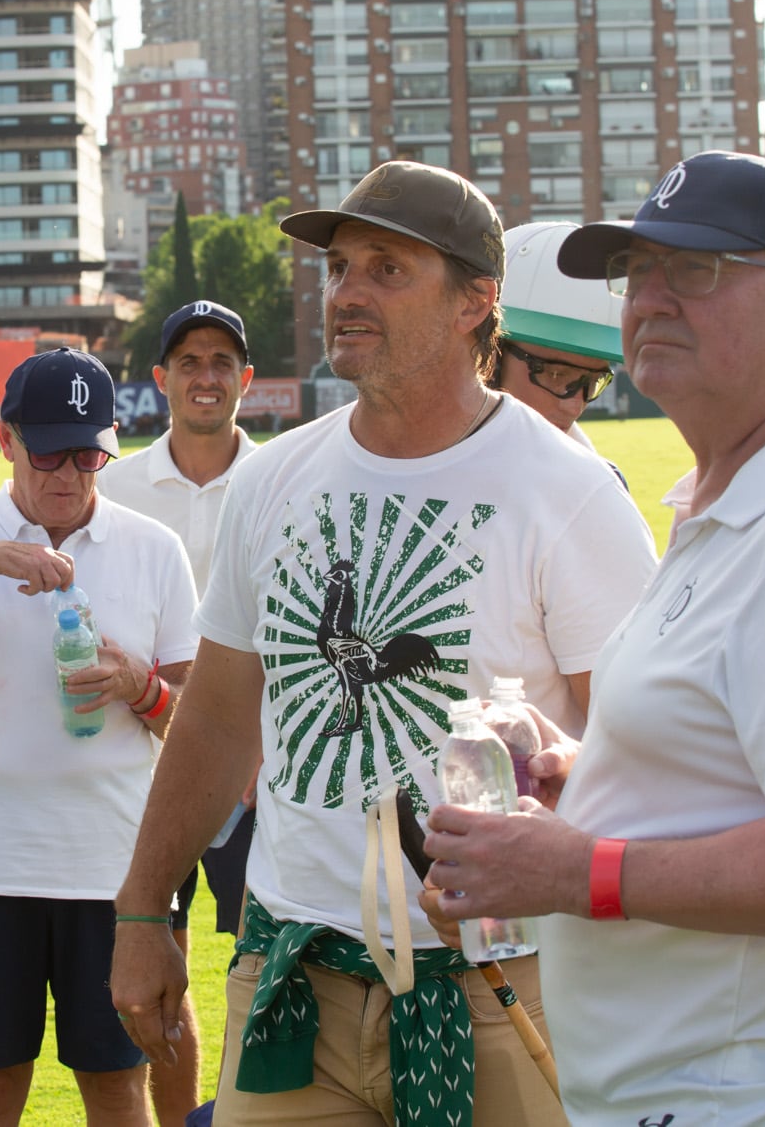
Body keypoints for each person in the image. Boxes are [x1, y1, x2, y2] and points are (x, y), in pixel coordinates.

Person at [424, 151, 765, 1126]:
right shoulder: (743, 500)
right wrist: (587, 774)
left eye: (698, 271)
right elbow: (736, 771)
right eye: (638, 273)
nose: (650, 299)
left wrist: (573, 869)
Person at [111, 158, 657, 1127]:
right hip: (291, 980)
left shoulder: (567, 493)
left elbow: (648, 756)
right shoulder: (275, 480)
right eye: (340, 267)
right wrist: (144, 908)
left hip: (502, 985)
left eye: (386, 269)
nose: (348, 293)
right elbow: (218, 717)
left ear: (473, 303)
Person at [0, 347, 198, 1127]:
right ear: (4, 439)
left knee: (120, 1091)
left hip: (115, 876)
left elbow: (198, 727)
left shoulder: (154, 549)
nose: (69, 472)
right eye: (49, 450)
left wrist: (143, 687)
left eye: (89, 452)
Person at [97, 301, 259, 1124]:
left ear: (246, 379)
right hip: (139, 764)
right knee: (163, 952)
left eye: (222, 361)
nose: (206, 376)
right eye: (189, 361)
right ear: (160, 379)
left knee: (267, 962)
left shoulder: (280, 481)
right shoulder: (113, 486)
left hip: (260, 771)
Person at [490, 221, 626, 444]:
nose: (574, 407)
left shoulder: (593, 477)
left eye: (593, 382)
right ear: (489, 357)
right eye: (555, 374)